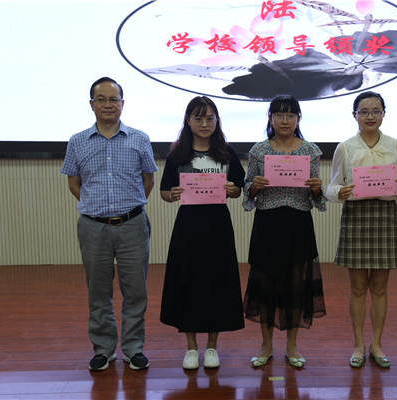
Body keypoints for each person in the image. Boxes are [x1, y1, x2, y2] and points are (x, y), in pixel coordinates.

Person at [61, 77, 158, 371]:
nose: (107, 104)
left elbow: (148, 180)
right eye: (101, 99)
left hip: (132, 224)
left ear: (122, 104)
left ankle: (133, 348)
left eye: (113, 99)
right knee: (98, 291)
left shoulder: (139, 138)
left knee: (136, 291)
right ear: (92, 104)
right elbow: (74, 183)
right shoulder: (77, 141)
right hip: (93, 227)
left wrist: (127, 207)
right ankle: (103, 349)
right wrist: (97, 208)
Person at [326, 91, 397, 369]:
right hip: (357, 217)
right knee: (358, 287)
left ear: (384, 113)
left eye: (376, 111)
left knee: (380, 287)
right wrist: (341, 192)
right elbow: (332, 187)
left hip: (385, 216)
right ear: (355, 115)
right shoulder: (345, 147)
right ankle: (358, 344)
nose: (370, 116)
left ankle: (377, 344)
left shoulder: (395, 145)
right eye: (364, 111)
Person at [159, 96, 245, 370]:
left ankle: (211, 347)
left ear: (217, 121)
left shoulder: (226, 152)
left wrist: (233, 189)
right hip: (188, 227)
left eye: (210, 118)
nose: (204, 123)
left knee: (216, 283)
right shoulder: (177, 154)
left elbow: (239, 188)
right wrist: (172, 194)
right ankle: (191, 348)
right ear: (188, 121)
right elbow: (164, 191)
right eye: (198, 118)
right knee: (188, 282)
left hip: (218, 227)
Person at [243, 95, 326, 368]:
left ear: (298, 119)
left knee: (296, 287)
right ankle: (266, 346)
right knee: (266, 287)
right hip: (268, 224)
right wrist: (253, 187)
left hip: (298, 224)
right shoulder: (258, 151)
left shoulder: (311, 151)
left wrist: (317, 189)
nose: (284, 120)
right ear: (270, 118)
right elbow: (247, 192)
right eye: (279, 115)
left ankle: (292, 346)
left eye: (290, 115)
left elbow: (317, 198)